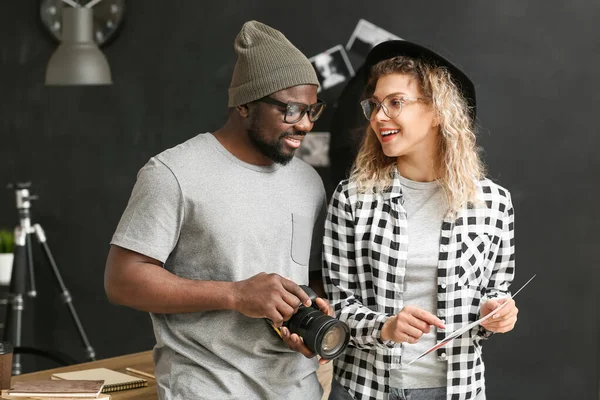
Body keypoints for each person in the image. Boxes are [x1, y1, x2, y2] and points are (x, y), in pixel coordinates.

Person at [104, 21, 333, 400]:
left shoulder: (308, 181)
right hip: (207, 389)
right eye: (291, 110)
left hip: (299, 391)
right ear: (244, 103)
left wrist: (314, 315)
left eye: (312, 110)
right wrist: (235, 294)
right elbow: (122, 280)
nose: (305, 124)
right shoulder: (173, 173)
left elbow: (310, 275)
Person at [322, 40, 518, 400]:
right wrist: (386, 326)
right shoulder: (352, 199)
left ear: (438, 110)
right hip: (365, 388)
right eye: (376, 105)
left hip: (456, 390)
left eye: (396, 102)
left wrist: (497, 311)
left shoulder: (493, 203)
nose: (380, 117)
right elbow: (337, 306)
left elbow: (496, 291)